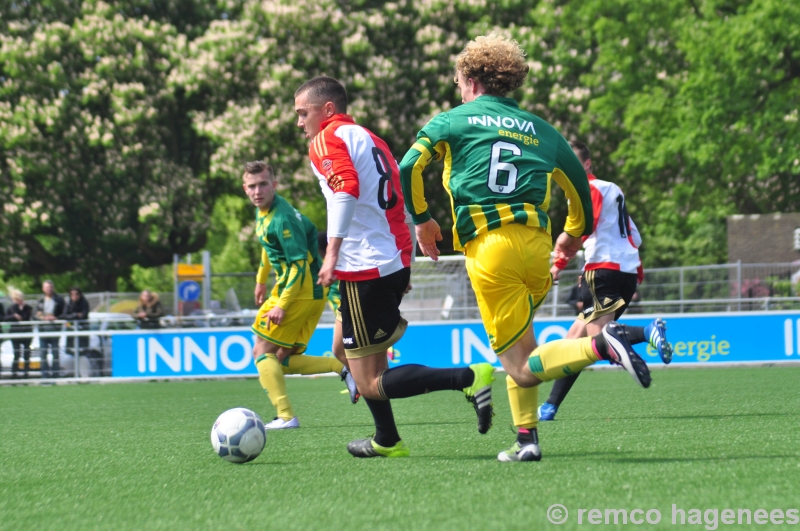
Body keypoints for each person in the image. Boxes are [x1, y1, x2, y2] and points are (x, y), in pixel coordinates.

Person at [399, 34, 652, 462]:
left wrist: (422, 222)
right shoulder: (544, 131)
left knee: (519, 365)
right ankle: (526, 440)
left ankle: (603, 345)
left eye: (458, 80)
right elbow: (579, 200)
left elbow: (409, 166)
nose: (458, 88)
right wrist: (571, 237)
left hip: (491, 248)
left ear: (471, 79)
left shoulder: (451, 120)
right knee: (523, 347)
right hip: (536, 250)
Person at [295, 75, 495, 458]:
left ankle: (468, 378)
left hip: (364, 266)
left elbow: (345, 189)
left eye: (303, 113)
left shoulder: (325, 139)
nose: (300, 122)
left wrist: (332, 253)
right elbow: (397, 191)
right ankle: (386, 438)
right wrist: (405, 259)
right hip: (390, 256)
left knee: (367, 380)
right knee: (341, 347)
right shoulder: (370, 138)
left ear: (328, 110)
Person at [538, 140, 673, 422]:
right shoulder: (614, 189)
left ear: (586, 164)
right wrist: (636, 271)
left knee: (601, 339)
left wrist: (558, 264)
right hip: (624, 272)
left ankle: (647, 332)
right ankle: (550, 406)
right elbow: (633, 236)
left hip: (602, 271)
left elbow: (582, 229)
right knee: (574, 339)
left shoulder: (587, 189)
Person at [243, 160, 359, 430]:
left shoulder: (282, 218)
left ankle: (285, 416)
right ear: (245, 188)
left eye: (262, 184)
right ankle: (339, 367)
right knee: (282, 359)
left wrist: (283, 304)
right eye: (252, 186)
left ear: (274, 185)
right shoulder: (266, 212)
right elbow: (267, 245)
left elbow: (297, 265)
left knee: (261, 351)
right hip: (309, 292)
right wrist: (261, 280)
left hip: (297, 292)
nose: (257, 190)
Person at [34, 280, 65, 378]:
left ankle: (56, 374)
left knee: (55, 353)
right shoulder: (40, 300)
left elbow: (64, 313)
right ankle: (45, 375)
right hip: (43, 330)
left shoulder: (59, 300)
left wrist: (56, 318)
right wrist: (42, 317)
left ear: (53, 288)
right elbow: (34, 314)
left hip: (55, 330)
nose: (49, 289)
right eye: (47, 287)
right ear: (43, 289)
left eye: (50, 287)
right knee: (43, 353)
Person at [4, 288, 33, 379]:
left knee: (27, 353)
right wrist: (14, 315)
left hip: (26, 333)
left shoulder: (27, 308)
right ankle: (14, 373)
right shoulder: (12, 308)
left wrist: (22, 309)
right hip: (15, 333)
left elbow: (26, 317)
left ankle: (26, 373)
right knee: (17, 353)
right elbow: (6, 318)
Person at [61, 286, 91, 372]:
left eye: (77, 294)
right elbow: (64, 315)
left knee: (82, 354)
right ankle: (75, 373)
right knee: (71, 353)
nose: (74, 296)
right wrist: (75, 315)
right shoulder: (68, 303)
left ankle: (84, 375)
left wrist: (74, 317)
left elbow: (83, 316)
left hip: (82, 332)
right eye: (72, 294)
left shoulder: (84, 303)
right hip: (71, 332)